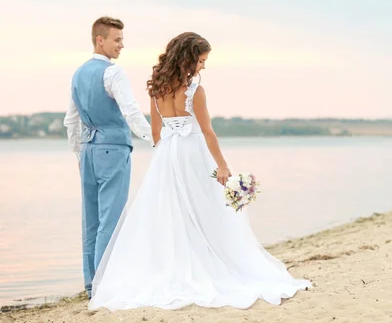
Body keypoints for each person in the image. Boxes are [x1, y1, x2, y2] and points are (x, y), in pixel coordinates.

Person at [88, 31, 311, 310]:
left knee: (172, 213)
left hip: (167, 156)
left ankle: (177, 265)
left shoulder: (156, 89)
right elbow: (207, 132)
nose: (203, 66)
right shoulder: (195, 91)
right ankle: (208, 262)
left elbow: (156, 134)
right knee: (205, 211)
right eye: (202, 61)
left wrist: (167, 156)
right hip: (193, 154)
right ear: (189, 59)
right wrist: (222, 165)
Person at [63, 16, 153, 298]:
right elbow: (131, 112)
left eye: (122, 40)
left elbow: (71, 121)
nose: (121, 45)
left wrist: (80, 156)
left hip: (88, 152)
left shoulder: (78, 74)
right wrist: (155, 139)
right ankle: (105, 286)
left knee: (90, 222)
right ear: (100, 40)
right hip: (112, 150)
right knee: (110, 220)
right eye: (117, 40)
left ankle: (91, 285)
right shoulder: (113, 73)